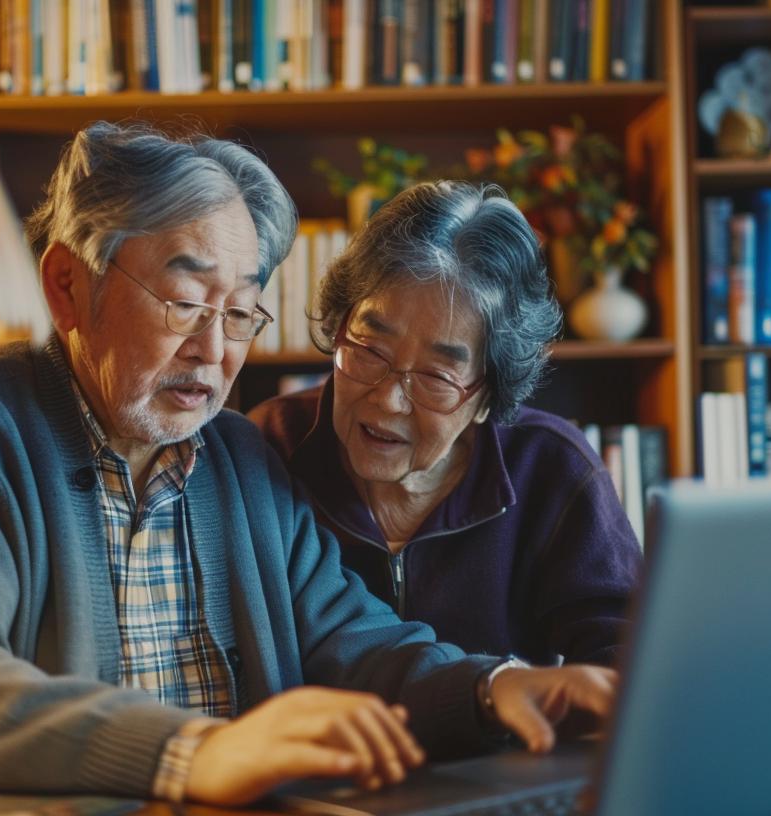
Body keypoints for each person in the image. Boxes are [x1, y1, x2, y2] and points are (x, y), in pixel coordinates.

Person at [0, 124, 619, 806]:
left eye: (240, 312)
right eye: (186, 302)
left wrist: (495, 687)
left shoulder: (239, 456)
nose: (215, 352)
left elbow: (357, 639)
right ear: (69, 286)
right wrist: (194, 753)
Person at [249, 181, 642, 669]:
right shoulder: (267, 450)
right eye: (370, 350)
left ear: (487, 398)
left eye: (437, 376)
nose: (388, 400)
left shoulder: (550, 467)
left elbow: (627, 662)